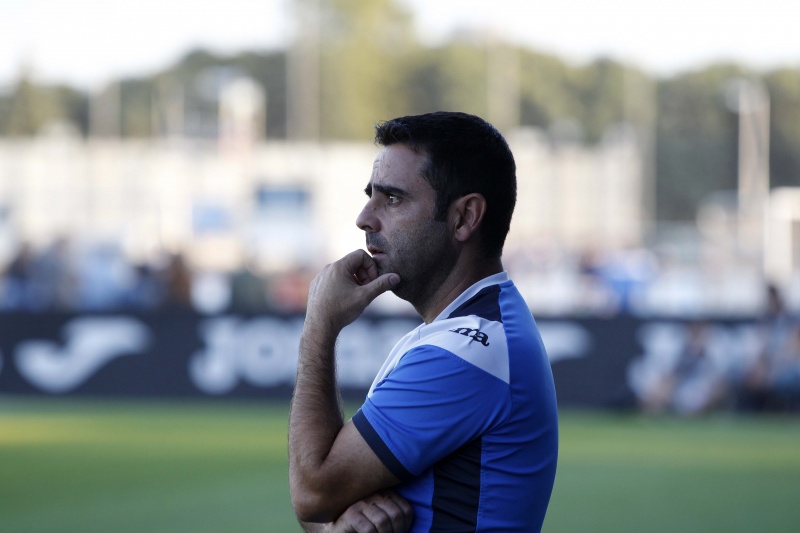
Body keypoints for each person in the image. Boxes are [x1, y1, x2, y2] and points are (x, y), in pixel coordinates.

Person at [289, 112, 559, 532]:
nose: (364, 218)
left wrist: (319, 327)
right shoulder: (458, 334)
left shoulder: (469, 351)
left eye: (393, 199)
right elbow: (321, 507)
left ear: (464, 217)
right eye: (371, 195)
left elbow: (313, 493)